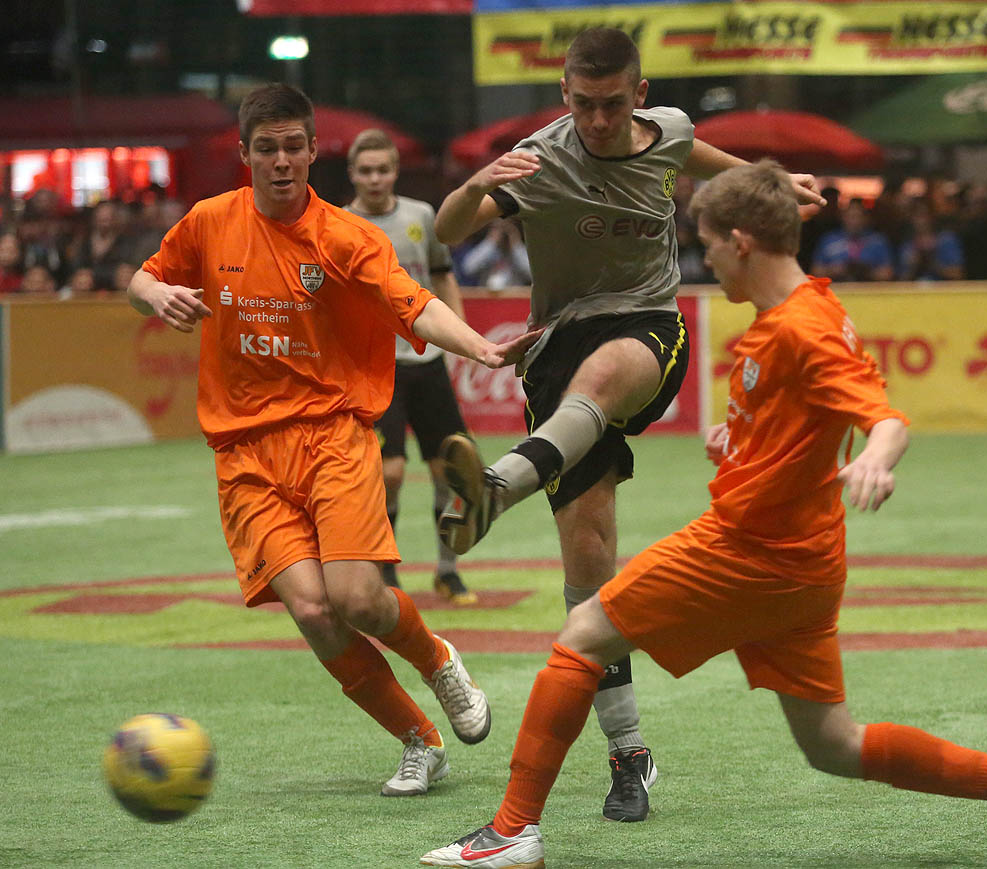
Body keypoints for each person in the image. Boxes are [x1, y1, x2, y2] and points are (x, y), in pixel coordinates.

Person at [420, 160, 987, 869]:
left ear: (742, 242)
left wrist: (878, 455)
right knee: (834, 744)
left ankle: (513, 831)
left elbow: (884, 418)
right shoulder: (800, 310)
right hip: (805, 562)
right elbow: (814, 413)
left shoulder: (804, 329)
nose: (705, 259)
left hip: (748, 549)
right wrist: (741, 441)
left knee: (581, 634)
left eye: (708, 245)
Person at [432, 26, 824, 823]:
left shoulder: (671, 132)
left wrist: (782, 186)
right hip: (554, 349)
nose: (599, 120)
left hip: (649, 326)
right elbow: (446, 231)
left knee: (608, 371)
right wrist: (479, 180)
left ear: (640, 96)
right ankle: (630, 751)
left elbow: (720, 166)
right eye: (583, 104)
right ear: (565, 94)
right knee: (590, 570)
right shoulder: (538, 159)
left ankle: (497, 488)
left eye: (613, 105)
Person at [127, 83, 540, 798]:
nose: (282, 161)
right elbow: (142, 276)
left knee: (359, 599)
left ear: (315, 150)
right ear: (245, 154)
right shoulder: (208, 222)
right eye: (267, 149)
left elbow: (415, 304)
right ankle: (419, 739)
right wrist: (155, 293)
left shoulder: (346, 237)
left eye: (294, 146)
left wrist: (481, 346)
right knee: (314, 611)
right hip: (245, 454)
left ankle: (437, 657)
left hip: (334, 434)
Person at [344, 128, 477, 605]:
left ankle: (447, 570)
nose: (375, 178)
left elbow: (443, 276)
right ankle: (385, 567)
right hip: (378, 366)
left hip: (430, 361)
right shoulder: (339, 225)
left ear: (396, 172)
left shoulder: (421, 216)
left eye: (383, 169)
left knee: (449, 469)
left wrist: (460, 336)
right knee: (391, 471)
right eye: (365, 170)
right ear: (352, 174)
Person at [811, 197, 895, 282]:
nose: (854, 221)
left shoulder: (878, 241)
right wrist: (835, 270)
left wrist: (866, 271)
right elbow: (816, 272)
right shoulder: (829, 240)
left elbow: (888, 273)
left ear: (866, 218)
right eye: (851, 216)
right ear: (843, 217)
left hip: (869, 289)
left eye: (858, 216)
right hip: (836, 288)